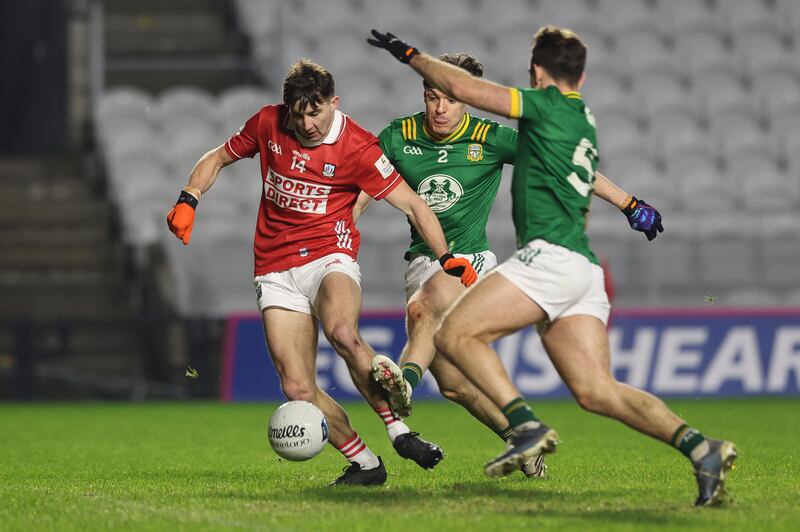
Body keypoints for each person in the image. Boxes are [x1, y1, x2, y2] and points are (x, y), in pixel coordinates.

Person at [368, 27, 736, 506]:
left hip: (550, 258)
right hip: (584, 270)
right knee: (597, 391)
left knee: (454, 334)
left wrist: (409, 53)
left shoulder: (543, 104)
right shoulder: (582, 116)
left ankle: (524, 427)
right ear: (581, 75)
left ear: (537, 73)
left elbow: (462, 87)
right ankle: (701, 448)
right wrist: (629, 204)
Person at [166, 59, 478, 485]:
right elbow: (218, 157)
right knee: (297, 388)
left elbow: (413, 204)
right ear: (287, 109)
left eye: (316, 112)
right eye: (300, 114)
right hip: (275, 268)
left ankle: (400, 431)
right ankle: (366, 463)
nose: (308, 123)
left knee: (342, 332)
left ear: (334, 103)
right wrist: (190, 196)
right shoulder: (267, 124)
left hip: (330, 255)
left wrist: (445, 258)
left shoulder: (359, 147)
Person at [354, 51, 661, 479]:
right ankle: (519, 436)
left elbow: (564, 165)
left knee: (424, 308)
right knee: (456, 385)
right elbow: (365, 189)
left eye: (450, 100)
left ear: (467, 100)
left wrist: (629, 204)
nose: (440, 109)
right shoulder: (397, 136)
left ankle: (404, 382)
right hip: (421, 263)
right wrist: (341, 232)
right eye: (431, 97)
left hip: (468, 262)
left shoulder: (491, 137)